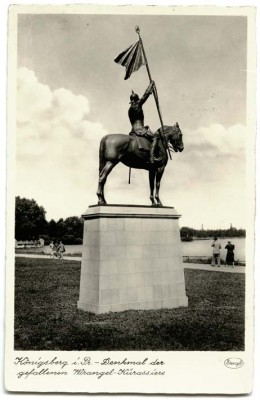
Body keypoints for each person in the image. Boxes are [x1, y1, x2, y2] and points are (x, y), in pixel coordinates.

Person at [128, 81, 161, 164]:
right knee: (155, 137)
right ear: (136, 99)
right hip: (139, 130)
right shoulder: (137, 105)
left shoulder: (130, 109)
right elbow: (145, 96)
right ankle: (152, 157)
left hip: (133, 130)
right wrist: (150, 86)